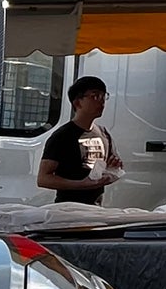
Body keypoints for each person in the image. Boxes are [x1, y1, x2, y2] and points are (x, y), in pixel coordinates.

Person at [36, 76, 123, 205]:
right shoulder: (62, 136)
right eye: (95, 96)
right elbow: (43, 179)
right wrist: (81, 184)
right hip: (68, 208)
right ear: (77, 102)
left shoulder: (104, 133)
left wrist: (114, 168)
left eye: (104, 96)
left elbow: (113, 165)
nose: (101, 102)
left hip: (96, 208)